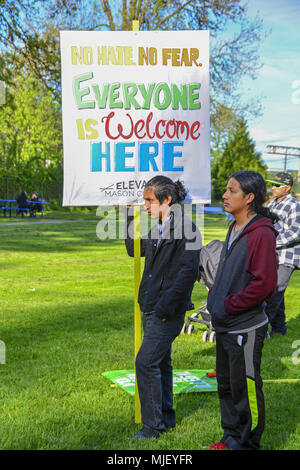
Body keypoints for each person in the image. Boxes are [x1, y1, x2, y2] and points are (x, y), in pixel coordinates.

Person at [206, 170, 278, 450]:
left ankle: (247, 443)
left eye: (232, 190)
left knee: (244, 387)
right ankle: (230, 437)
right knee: (226, 385)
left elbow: (265, 284)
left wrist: (228, 304)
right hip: (226, 324)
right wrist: (217, 297)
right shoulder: (233, 226)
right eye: (226, 189)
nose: (225, 195)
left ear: (249, 197)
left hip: (245, 326)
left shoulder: (261, 233)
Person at [125, 176, 201, 439]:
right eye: (144, 200)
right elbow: (134, 251)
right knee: (161, 363)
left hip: (165, 311)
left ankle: (152, 427)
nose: (145, 205)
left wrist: (165, 308)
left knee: (145, 362)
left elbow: (187, 273)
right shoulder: (159, 226)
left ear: (167, 199)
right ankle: (166, 418)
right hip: (150, 306)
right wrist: (129, 218)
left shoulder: (187, 228)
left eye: (150, 200)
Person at [264, 172, 300, 336]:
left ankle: (261, 329)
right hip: (273, 255)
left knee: (275, 291)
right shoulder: (272, 204)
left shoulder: (293, 204)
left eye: (277, 185)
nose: (273, 188)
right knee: (277, 291)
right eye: (272, 184)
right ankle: (280, 330)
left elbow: (296, 232)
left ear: (288, 188)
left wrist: (272, 242)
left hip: (287, 256)